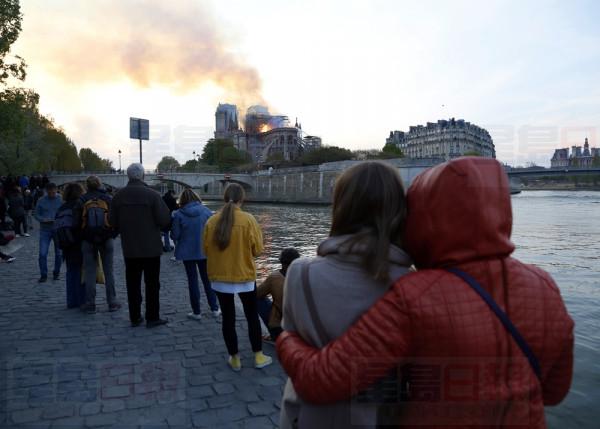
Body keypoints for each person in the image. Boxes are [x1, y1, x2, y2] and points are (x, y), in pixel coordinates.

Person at [276, 157, 575, 428]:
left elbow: (323, 378)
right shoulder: (545, 284)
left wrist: (286, 341)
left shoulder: (417, 295)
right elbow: (554, 392)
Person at [279, 162, 412, 429]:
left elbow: (292, 341)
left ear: (341, 207)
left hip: (310, 415)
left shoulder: (300, 273)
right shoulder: (415, 286)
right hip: (381, 417)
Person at [203, 183, 271, 371]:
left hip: (220, 277)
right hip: (244, 277)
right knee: (251, 316)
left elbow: (206, 249)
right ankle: (258, 356)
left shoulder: (211, 221)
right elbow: (258, 250)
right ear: (242, 199)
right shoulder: (249, 220)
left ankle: (234, 359)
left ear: (225, 197)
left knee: (228, 319)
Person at [110, 163, 171, 328]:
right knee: (152, 284)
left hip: (130, 248)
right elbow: (164, 220)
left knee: (133, 283)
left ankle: (135, 317)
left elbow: (112, 222)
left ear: (128, 176)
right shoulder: (153, 195)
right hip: (151, 248)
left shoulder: (118, 196)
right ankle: (152, 317)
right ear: (143, 176)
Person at [170, 188, 220, 320]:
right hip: (205, 251)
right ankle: (214, 308)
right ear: (196, 198)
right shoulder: (207, 212)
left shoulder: (179, 214)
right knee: (207, 280)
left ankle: (196, 312)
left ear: (183, 200)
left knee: (192, 281)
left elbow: (175, 235)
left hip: (187, 253)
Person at [78, 176, 121, 314]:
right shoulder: (108, 199)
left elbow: (76, 222)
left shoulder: (82, 200)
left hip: (88, 240)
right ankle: (112, 302)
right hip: (106, 239)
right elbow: (117, 219)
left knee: (90, 272)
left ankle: (90, 303)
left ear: (87, 186)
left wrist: (83, 236)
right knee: (109, 271)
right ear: (99, 184)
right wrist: (111, 234)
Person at [257, 248, 300, 343]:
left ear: (281, 262)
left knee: (257, 299)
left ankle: (272, 334)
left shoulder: (275, 277)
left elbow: (256, 295)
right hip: (300, 329)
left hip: (278, 328)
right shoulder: (304, 276)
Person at [55, 183, 85, 309]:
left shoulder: (61, 208)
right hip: (79, 242)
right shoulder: (80, 206)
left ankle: (71, 301)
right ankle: (82, 300)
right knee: (81, 272)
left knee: (70, 271)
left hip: (66, 243)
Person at [34, 183, 63, 282]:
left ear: (56, 190)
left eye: (54, 192)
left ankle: (56, 273)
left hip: (58, 229)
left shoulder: (61, 199)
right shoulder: (41, 200)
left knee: (59, 253)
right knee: (42, 253)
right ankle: (43, 275)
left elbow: (64, 213)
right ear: (47, 191)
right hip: (45, 230)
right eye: (50, 193)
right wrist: (43, 219)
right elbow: (36, 214)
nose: (52, 194)